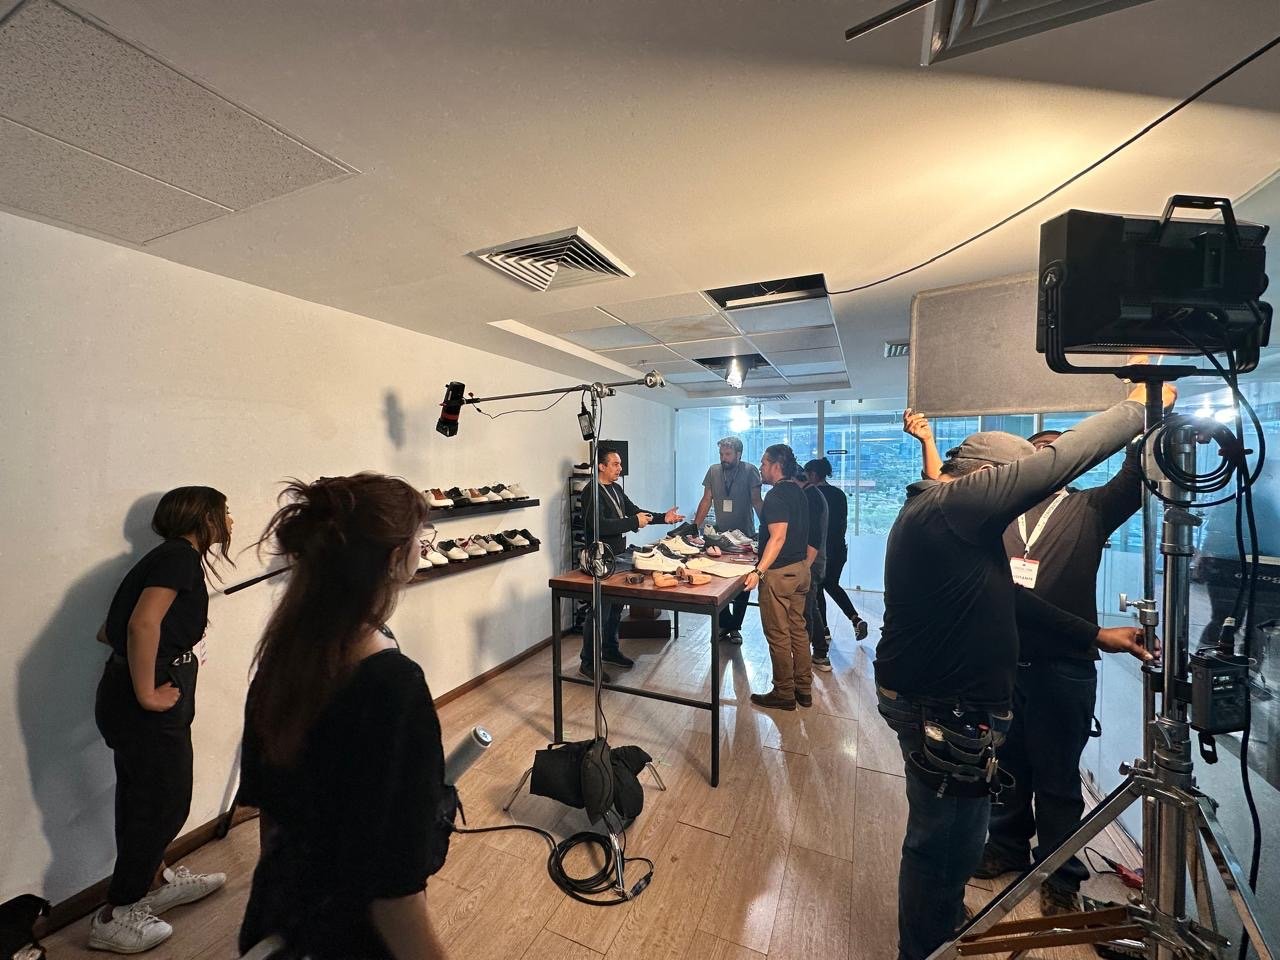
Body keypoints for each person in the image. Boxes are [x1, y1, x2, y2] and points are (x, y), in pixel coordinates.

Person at [875, 384, 1169, 960]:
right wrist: (1138, 404)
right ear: (987, 478)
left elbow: (1008, 597)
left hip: (949, 703)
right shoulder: (950, 506)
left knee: (955, 834)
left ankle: (939, 917)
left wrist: (1093, 635)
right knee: (944, 843)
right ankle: (927, 947)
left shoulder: (951, 521)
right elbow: (1062, 460)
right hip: (946, 708)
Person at [237, 473, 450, 960]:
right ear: (395, 560)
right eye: (420, 538)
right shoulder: (393, 687)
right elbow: (393, 897)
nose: (423, 547)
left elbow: (272, 817)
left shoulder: (280, 659)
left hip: (280, 910)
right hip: (348, 937)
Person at [90, 487, 234, 954]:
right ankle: (115, 913)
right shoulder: (179, 558)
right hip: (143, 705)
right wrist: (147, 693)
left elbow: (108, 631)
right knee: (166, 803)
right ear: (204, 518)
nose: (230, 520)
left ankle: (152, 881)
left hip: (126, 700)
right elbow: (140, 625)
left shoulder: (162, 558)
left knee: (142, 797)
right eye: (225, 511)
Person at [580, 447, 683, 679]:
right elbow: (599, 525)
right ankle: (588, 663)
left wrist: (662, 518)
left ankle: (610, 650)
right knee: (599, 612)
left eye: (620, 464)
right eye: (615, 464)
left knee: (616, 608)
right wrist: (632, 522)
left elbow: (635, 512)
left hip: (618, 556)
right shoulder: (590, 492)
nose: (620, 468)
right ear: (601, 466)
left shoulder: (616, 488)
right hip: (600, 559)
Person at [744, 444, 811, 710]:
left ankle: (784, 693)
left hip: (779, 574)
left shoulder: (777, 495)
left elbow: (778, 537)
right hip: (800, 569)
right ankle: (803, 689)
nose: (761, 468)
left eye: (763, 463)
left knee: (778, 634)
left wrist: (758, 571)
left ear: (776, 465)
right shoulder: (799, 491)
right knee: (798, 630)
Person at [694, 436, 764, 643]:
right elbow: (706, 500)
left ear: (738, 454)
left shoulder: (750, 471)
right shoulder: (714, 471)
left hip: (745, 537)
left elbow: (757, 501)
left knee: (742, 584)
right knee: (718, 581)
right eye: (721, 454)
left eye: (728, 454)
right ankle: (726, 623)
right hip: (720, 537)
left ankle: (735, 627)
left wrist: (769, 528)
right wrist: (694, 527)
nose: (723, 458)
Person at [803, 458, 871, 643]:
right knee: (831, 585)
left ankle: (823, 630)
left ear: (813, 475)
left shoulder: (813, 496)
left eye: (806, 475)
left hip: (820, 550)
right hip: (839, 549)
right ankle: (855, 619)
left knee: (818, 589)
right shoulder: (839, 494)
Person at [797, 468, 830, 671]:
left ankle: (807, 662)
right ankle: (820, 652)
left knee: (806, 610)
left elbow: (814, 536)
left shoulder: (811, 498)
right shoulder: (812, 494)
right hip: (814, 561)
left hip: (811, 562)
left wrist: (805, 566)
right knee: (811, 607)